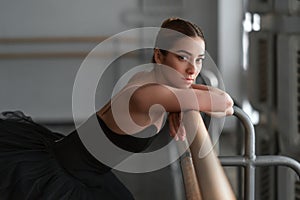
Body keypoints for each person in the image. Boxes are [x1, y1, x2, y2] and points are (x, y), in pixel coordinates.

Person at [0, 17, 235, 199]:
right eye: (183, 57)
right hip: (69, 174)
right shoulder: (150, 94)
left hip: (81, 166)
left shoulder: (149, 74)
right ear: (159, 56)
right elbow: (225, 103)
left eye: (199, 59)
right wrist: (181, 103)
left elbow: (194, 93)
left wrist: (180, 106)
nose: (193, 70)